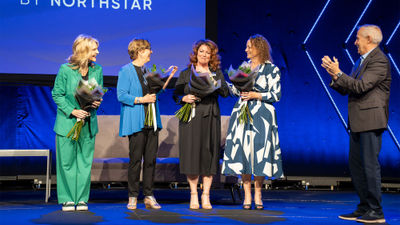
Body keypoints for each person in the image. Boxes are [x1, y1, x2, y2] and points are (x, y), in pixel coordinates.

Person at [321, 24, 391, 224]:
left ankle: (376, 211)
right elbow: (348, 88)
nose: (355, 42)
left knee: (369, 166)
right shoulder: (361, 61)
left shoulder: (379, 60)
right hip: (358, 121)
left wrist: (340, 73)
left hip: (370, 121)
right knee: (357, 166)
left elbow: (360, 87)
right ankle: (364, 206)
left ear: (369, 39)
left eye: (358, 38)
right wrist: (335, 75)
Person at [222, 34, 283, 210]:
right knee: (244, 153)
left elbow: (276, 95)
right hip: (242, 112)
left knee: (259, 153)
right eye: (246, 46)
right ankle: (247, 194)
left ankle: (258, 193)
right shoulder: (245, 67)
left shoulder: (272, 69)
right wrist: (222, 82)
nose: (246, 49)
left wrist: (257, 95)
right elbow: (235, 90)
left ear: (259, 48)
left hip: (262, 115)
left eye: (249, 46)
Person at [173, 39, 229, 209]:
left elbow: (225, 92)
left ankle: (206, 195)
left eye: (208, 52)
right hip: (191, 116)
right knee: (192, 155)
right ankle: (193, 195)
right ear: (196, 54)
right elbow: (175, 95)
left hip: (210, 116)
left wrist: (215, 83)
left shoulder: (216, 73)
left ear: (212, 56)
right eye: (201, 51)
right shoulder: (186, 73)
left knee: (208, 155)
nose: (204, 55)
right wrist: (184, 98)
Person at [52, 35, 103, 211]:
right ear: (84, 50)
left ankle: (81, 199)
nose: (98, 51)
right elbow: (57, 94)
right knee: (66, 162)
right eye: (95, 49)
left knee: (84, 162)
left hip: (88, 124)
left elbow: (97, 94)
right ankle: (67, 198)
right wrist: (72, 111)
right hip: (67, 122)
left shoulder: (97, 70)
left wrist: (96, 102)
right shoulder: (65, 70)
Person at [117, 38, 162, 210]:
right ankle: (133, 195)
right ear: (140, 51)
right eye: (149, 49)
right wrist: (141, 100)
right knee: (136, 160)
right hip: (136, 121)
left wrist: (166, 79)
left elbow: (154, 92)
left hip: (152, 121)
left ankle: (149, 195)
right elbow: (121, 95)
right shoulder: (126, 71)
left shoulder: (148, 71)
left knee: (150, 160)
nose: (151, 52)